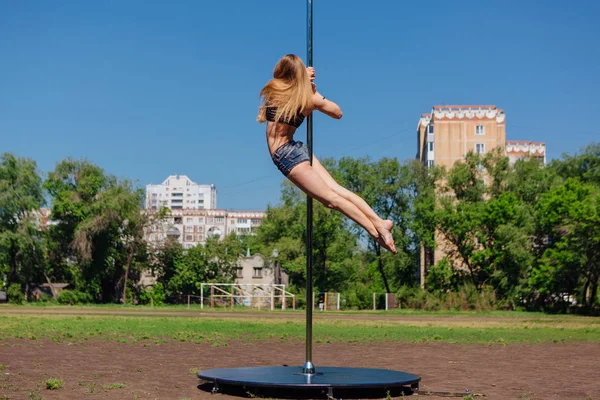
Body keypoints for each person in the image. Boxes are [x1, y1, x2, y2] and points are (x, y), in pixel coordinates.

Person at [257, 54, 397, 254]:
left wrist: (306, 84)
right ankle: (379, 222)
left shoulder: (275, 90)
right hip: (297, 148)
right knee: (337, 191)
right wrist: (312, 90)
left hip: (285, 154)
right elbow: (337, 112)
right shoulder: (304, 96)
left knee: (332, 199)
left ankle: (376, 230)